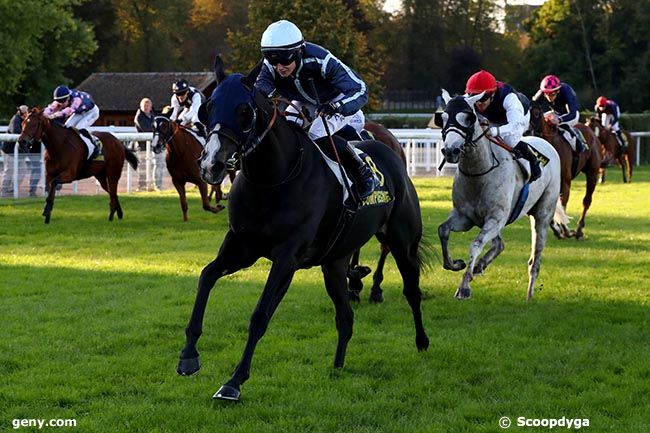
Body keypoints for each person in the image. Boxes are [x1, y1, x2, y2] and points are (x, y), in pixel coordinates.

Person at [255, 19, 378, 201]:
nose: (279, 67)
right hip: (305, 101)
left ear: (298, 52)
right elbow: (259, 86)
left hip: (337, 102)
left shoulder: (321, 59)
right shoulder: (272, 64)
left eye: (284, 61)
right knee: (286, 131)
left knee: (316, 133)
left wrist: (337, 106)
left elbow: (360, 89)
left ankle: (364, 173)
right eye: (274, 61)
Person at [464, 70, 541, 181]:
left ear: (493, 94)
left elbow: (514, 125)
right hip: (494, 118)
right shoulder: (470, 96)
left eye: (483, 98)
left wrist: (494, 132)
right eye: (475, 98)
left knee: (510, 140)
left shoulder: (509, 98)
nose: (479, 103)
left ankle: (534, 160)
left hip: (519, 117)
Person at [43, 85, 101, 159]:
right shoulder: (61, 99)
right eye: (59, 101)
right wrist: (42, 114)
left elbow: (69, 111)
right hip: (80, 112)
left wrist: (54, 115)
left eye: (63, 100)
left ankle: (95, 141)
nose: (61, 103)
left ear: (68, 97)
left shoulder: (76, 100)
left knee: (79, 128)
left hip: (91, 112)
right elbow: (50, 108)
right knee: (66, 127)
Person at [532, 75, 586, 153]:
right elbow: (532, 105)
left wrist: (559, 120)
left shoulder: (567, 92)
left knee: (561, 126)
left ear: (558, 91)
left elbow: (572, 114)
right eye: (546, 94)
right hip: (555, 113)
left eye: (551, 94)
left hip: (570, 115)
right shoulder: (542, 92)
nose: (548, 97)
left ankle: (576, 137)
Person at [134, 97, 163, 190]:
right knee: (143, 167)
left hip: (153, 145)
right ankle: (141, 186)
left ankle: (157, 185)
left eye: (148, 105)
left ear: (151, 106)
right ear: (141, 106)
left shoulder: (153, 116)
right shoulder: (139, 117)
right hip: (142, 146)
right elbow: (146, 129)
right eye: (144, 105)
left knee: (157, 164)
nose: (146, 107)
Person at [2, 105, 30, 196]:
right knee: (9, 171)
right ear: (21, 113)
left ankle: (13, 189)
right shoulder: (16, 119)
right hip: (9, 151)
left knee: (22, 171)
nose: (27, 114)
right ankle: (4, 191)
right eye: (25, 113)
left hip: (18, 152)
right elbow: (16, 131)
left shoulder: (25, 120)